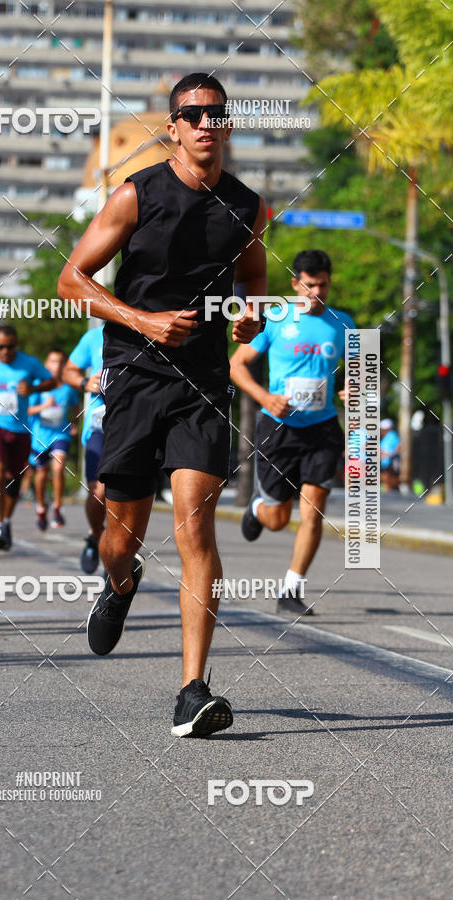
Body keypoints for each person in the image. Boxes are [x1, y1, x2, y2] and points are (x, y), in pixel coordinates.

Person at [58, 73, 266, 737]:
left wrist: (249, 317)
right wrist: (143, 321)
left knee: (196, 528)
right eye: (192, 114)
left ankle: (192, 690)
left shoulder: (248, 206)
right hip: (135, 375)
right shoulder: (136, 194)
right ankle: (121, 582)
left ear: (226, 124)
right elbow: (71, 280)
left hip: (202, 382)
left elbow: (253, 280)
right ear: (173, 126)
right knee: (120, 540)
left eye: (216, 113)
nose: (206, 123)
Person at [231, 249, 355, 618]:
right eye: (311, 285)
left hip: (323, 429)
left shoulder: (343, 323)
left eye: (323, 285)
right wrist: (265, 398)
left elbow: (360, 373)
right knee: (278, 519)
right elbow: (236, 366)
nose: (317, 292)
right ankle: (258, 508)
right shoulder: (275, 318)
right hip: (279, 428)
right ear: (295, 284)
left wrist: (354, 389)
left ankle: (291, 590)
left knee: (313, 513)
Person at [0, 324, 57, 551]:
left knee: (14, 480)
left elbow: (52, 381)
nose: (5, 352)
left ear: (15, 345)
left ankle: (6, 521)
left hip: (20, 429)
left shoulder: (29, 363)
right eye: (0, 347)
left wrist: (32, 389)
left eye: (9, 347)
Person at [63, 324, 106, 572]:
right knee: (98, 492)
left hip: (134, 424)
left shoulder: (144, 331)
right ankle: (96, 535)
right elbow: (68, 371)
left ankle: (118, 551)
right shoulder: (93, 337)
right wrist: (84, 382)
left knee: (124, 494)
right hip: (99, 425)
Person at [28, 349, 79, 530]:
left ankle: (57, 507)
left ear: (64, 365)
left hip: (60, 434)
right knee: (41, 473)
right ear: (46, 364)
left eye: (60, 362)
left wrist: (75, 423)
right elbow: (26, 410)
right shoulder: (38, 385)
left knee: (58, 467)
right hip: (39, 436)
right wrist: (43, 406)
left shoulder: (68, 387)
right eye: (53, 361)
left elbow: (75, 405)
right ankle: (41, 506)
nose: (56, 366)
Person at [380, 418, 401, 491]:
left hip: (391, 462)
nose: (381, 431)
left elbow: (399, 448)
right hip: (385, 462)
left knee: (390, 479)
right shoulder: (385, 438)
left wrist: (389, 455)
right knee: (386, 478)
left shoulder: (393, 436)